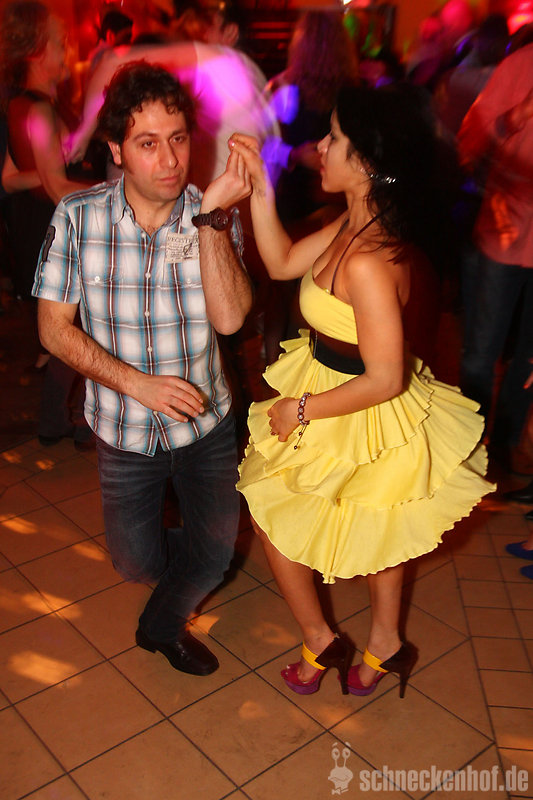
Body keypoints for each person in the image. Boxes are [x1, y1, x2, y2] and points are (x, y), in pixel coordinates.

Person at [230, 84, 494, 698]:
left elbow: (386, 377)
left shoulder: (370, 260)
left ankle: (363, 641)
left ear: (368, 162)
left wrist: (299, 410)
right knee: (337, 516)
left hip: (357, 401)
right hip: (328, 382)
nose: (319, 147)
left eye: (334, 138)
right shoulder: (349, 225)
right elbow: (282, 262)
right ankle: (346, 639)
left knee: (362, 520)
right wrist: (260, 188)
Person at [32, 61, 253, 676]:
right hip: (123, 428)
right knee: (135, 562)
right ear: (116, 149)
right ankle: (188, 564)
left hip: (206, 424)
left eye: (178, 138)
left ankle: (161, 626)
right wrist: (137, 384)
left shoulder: (210, 212)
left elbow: (231, 320)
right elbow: (52, 329)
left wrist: (211, 220)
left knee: (214, 558)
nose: (170, 160)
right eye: (148, 143)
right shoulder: (78, 218)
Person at [458, 42, 533, 474]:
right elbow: (469, 141)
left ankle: (503, 449)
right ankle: (469, 451)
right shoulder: (519, 66)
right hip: (504, 234)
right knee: (481, 352)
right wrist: (516, 116)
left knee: (529, 359)